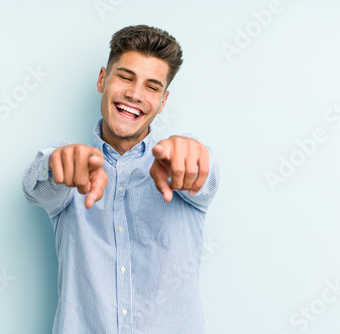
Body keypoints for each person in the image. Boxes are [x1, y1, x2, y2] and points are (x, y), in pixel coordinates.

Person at [22, 24, 219, 334]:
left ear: (163, 101)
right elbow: (37, 188)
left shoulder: (184, 166)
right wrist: (56, 163)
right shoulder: (70, 172)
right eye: (126, 77)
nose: (134, 94)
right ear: (103, 78)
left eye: (152, 87)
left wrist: (193, 151)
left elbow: (202, 172)